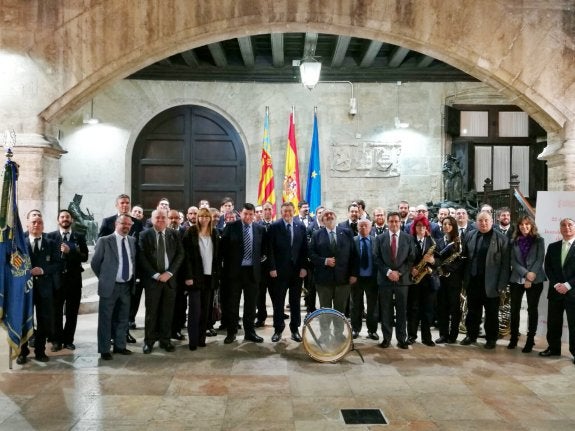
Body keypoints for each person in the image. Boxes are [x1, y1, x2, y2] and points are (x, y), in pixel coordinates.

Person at [460, 211, 510, 349]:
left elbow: (505, 266)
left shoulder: (501, 239)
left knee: (491, 314)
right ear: (476, 222)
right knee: (472, 312)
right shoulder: (470, 235)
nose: (483, 223)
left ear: (492, 221)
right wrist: (465, 280)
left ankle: (491, 338)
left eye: (486, 220)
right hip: (473, 281)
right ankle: (471, 335)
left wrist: (501, 285)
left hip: (492, 284)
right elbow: (465, 259)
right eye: (480, 220)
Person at [17, 211, 62, 364]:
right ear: (27, 223)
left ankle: (40, 351)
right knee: (23, 320)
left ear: (43, 225)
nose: (37, 225)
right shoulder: (19, 243)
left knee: (44, 321)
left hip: (45, 289)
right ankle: (22, 352)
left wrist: (43, 270)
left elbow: (59, 264)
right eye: (33, 222)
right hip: (24, 289)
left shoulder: (51, 243)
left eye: (39, 222)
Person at [91, 214, 137, 360]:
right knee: (106, 318)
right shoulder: (105, 241)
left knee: (123, 318)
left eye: (129, 225)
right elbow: (95, 263)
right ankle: (104, 349)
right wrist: (105, 278)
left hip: (126, 287)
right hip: (109, 286)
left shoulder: (132, 240)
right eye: (123, 223)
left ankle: (120, 346)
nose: (126, 227)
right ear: (116, 224)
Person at [219, 202, 266, 344]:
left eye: (251, 214)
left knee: (251, 305)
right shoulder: (231, 227)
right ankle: (231, 332)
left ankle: (250, 332)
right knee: (232, 304)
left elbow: (263, 249)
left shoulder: (260, 229)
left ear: (254, 215)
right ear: (241, 213)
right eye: (245, 213)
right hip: (234, 273)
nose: (248, 216)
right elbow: (222, 250)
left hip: (252, 273)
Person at [139, 209, 185, 353]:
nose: (160, 220)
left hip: (170, 281)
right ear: (152, 219)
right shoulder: (144, 235)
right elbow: (141, 257)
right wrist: (154, 274)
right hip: (153, 281)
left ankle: (165, 341)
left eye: (163, 217)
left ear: (168, 219)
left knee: (167, 312)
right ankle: (149, 341)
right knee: (151, 313)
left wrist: (169, 273)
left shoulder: (174, 234)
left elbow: (180, 254)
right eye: (157, 217)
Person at [98, 194, 144, 339]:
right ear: (116, 205)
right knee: (111, 310)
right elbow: (100, 251)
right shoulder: (108, 221)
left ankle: (124, 333)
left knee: (126, 308)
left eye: (127, 203)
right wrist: (105, 274)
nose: (125, 205)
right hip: (112, 275)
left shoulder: (137, 223)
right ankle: (111, 336)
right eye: (122, 203)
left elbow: (139, 248)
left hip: (129, 271)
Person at [309, 209, 358, 332]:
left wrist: (353, 274)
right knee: (325, 310)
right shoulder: (317, 235)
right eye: (326, 215)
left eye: (331, 214)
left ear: (335, 217)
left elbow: (354, 255)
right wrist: (325, 261)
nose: (329, 216)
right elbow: (311, 254)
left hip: (343, 279)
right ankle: (324, 335)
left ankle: (339, 335)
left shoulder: (347, 233)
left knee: (340, 310)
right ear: (322, 219)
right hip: (324, 280)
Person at [47, 209, 89, 352]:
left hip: (74, 280)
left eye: (67, 217)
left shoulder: (79, 236)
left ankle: (68, 340)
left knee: (72, 313)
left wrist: (70, 252)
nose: (65, 219)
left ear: (71, 220)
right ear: (58, 220)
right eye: (62, 217)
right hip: (56, 281)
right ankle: (57, 340)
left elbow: (84, 257)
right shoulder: (50, 237)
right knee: (56, 312)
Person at [373, 211, 416, 349]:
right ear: (387, 222)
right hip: (385, 280)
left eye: (396, 221)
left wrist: (400, 272)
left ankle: (401, 339)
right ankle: (386, 338)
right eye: (391, 221)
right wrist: (388, 272)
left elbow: (411, 259)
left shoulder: (408, 238)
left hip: (402, 281)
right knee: (386, 310)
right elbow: (376, 258)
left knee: (402, 310)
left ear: (400, 222)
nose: (394, 224)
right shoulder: (380, 238)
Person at [267, 202, 308, 342]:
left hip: (297, 272)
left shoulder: (301, 227)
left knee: (295, 301)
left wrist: (304, 267)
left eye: (290, 211)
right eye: (285, 211)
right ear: (281, 211)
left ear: (294, 211)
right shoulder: (274, 227)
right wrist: (272, 268)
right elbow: (270, 250)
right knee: (279, 301)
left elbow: (304, 250)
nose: (287, 214)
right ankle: (278, 329)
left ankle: (295, 329)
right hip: (279, 272)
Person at [182, 207, 220, 350]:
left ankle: (201, 338)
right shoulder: (190, 232)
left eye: (206, 217)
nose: (204, 219)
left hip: (210, 277)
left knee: (205, 311)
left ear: (210, 218)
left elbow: (217, 257)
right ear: (197, 218)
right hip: (195, 277)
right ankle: (192, 341)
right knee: (195, 311)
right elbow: (186, 258)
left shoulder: (214, 233)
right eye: (201, 217)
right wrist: (188, 276)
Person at [508, 215, 546, 352]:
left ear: (531, 226)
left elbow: (540, 259)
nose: (524, 227)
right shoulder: (513, 241)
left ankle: (530, 340)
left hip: (536, 279)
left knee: (532, 310)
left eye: (527, 224)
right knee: (514, 310)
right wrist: (525, 274)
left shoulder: (539, 240)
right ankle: (513, 338)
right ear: (518, 226)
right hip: (516, 279)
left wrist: (530, 277)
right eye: (522, 225)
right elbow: (513, 261)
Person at [539, 217, 575, 363]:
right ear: (560, 229)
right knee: (553, 322)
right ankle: (553, 348)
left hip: (573, 293)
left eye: (570, 225)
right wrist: (555, 284)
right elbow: (548, 268)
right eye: (563, 225)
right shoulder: (552, 247)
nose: (567, 227)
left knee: (574, 324)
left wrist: (567, 285)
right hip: (555, 292)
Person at [407, 214, 439, 346]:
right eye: (418, 225)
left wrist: (432, 260)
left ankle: (427, 337)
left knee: (428, 310)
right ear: (414, 227)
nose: (421, 228)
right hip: (414, 280)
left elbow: (439, 261)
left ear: (427, 228)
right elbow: (404, 258)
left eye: (424, 226)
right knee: (413, 309)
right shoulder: (409, 240)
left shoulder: (432, 242)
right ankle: (412, 336)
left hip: (428, 280)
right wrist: (410, 269)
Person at [435, 215, 464, 344]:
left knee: (454, 309)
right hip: (441, 279)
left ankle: (453, 335)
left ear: (453, 227)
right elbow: (437, 258)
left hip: (454, 279)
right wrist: (438, 267)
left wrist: (446, 268)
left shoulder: (458, 242)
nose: (446, 226)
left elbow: (460, 262)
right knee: (442, 308)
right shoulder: (439, 241)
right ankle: (443, 334)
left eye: (449, 224)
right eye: (444, 224)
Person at [351, 219, 379, 340]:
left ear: (370, 228)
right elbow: (349, 260)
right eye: (361, 226)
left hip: (372, 279)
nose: (363, 228)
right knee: (356, 305)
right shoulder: (353, 241)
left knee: (372, 306)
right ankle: (355, 329)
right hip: (356, 278)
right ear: (357, 228)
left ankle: (372, 331)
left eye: (366, 226)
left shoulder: (376, 241)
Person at [255, 201, 274, 328]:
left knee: (276, 294)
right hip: (261, 267)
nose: (266, 211)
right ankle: (261, 317)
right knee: (260, 295)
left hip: (273, 267)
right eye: (264, 209)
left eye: (269, 209)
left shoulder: (277, 226)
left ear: (272, 211)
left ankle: (278, 316)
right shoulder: (257, 226)